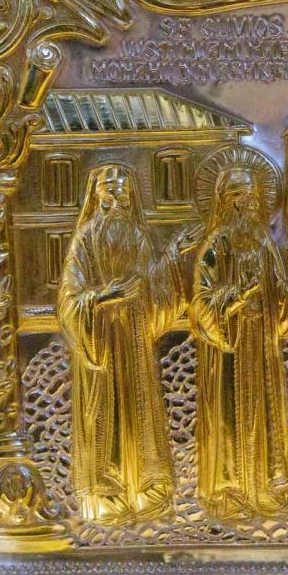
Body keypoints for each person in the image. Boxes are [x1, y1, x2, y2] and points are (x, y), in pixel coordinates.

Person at [58, 164, 199, 525]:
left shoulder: (137, 236)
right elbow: (70, 296)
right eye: (110, 190)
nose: (117, 197)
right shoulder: (86, 239)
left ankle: (146, 487)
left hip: (134, 338)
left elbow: (153, 287)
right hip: (102, 339)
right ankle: (107, 492)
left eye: (123, 191)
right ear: (97, 196)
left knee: (139, 407)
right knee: (105, 410)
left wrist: (173, 256)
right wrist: (105, 296)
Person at [191, 165, 288, 520]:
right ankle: (231, 492)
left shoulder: (263, 243)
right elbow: (201, 302)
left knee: (266, 410)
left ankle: (267, 487)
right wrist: (237, 296)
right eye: (242, 196)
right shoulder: (216, 245)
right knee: (229, 411)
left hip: (261, 343)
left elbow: (279, 290)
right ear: (228, 202)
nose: (250, 204)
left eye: (254, 197)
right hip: (229, 348)